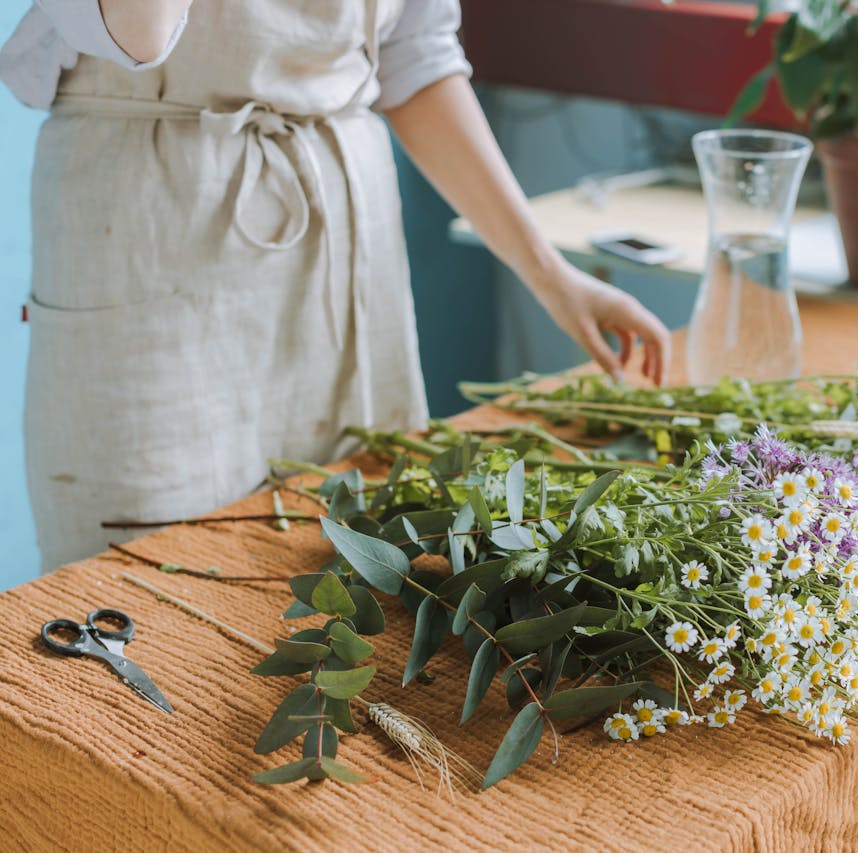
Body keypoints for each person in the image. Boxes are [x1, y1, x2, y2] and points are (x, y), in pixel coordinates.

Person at [0, 0, 670, 573]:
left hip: (341, 244)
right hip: (151, 235)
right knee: (141, 578)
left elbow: (414, 56)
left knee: (347, 574)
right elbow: (138, 31)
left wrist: (552, 276)